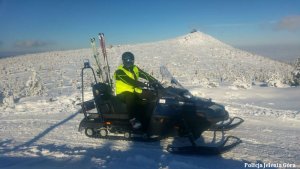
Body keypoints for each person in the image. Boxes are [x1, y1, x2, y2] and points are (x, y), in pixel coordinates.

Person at [114, 52, 157, 129]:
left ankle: (151, 115)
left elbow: (145, 75)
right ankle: (132, 120)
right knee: (130, 97)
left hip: (134, 90)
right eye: (127, 60)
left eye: (131, 60)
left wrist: (155, 81)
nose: (129, 62)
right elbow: (130, 81)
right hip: (122, 93)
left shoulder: (135, 68)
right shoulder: (119, 72)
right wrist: (144, 84)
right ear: (123, 61)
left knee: (151, 94)